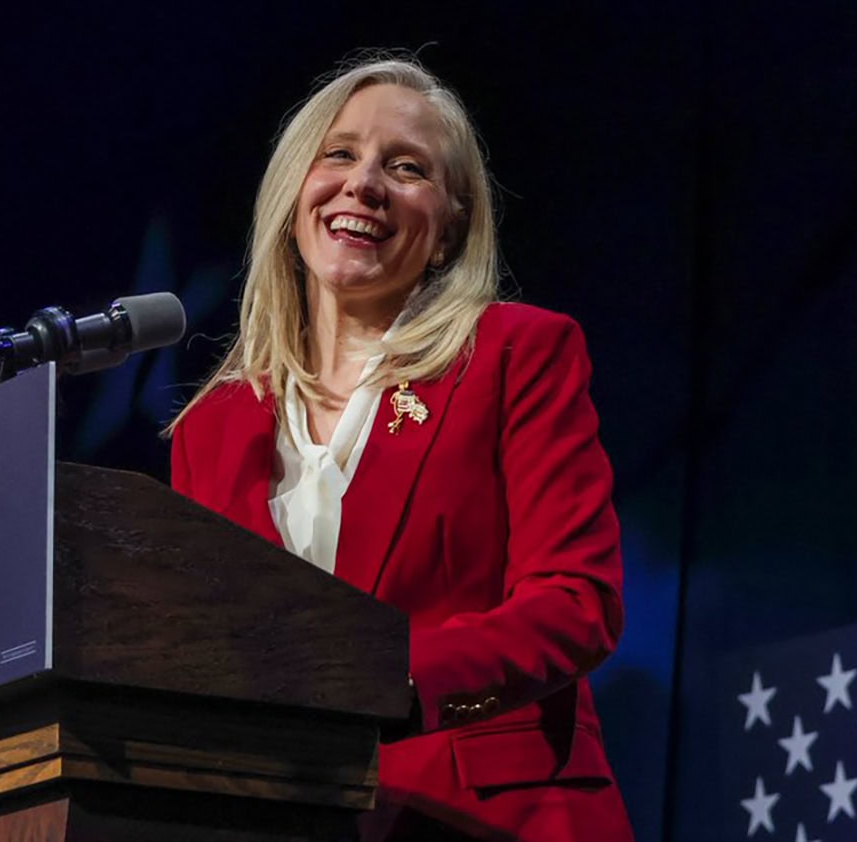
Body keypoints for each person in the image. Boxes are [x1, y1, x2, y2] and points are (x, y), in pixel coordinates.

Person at [168, 57, 634, 841]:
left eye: (407, 167)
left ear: (449, 226)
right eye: (339, 154)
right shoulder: (209, 427)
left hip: (492, 816)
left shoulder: (516, 353)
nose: (364, 184)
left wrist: (386, 676)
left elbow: (576, 603)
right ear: (293, 193)